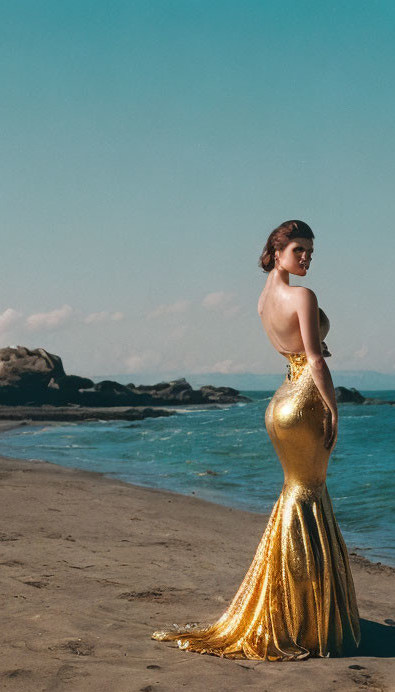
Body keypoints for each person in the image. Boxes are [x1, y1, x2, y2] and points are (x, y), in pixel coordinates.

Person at [151, 220, 362, 660]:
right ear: (278, 250)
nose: (306, 258)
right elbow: (316, 359)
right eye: (299, 250)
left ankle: (291, 609)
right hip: (304, 396)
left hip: (280, 402)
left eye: (310, 252)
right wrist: (334, 408)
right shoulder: (302, 296)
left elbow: (289, 352)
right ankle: (307, 621)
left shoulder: (264, 300)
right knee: (309, 494)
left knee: (295, 494)